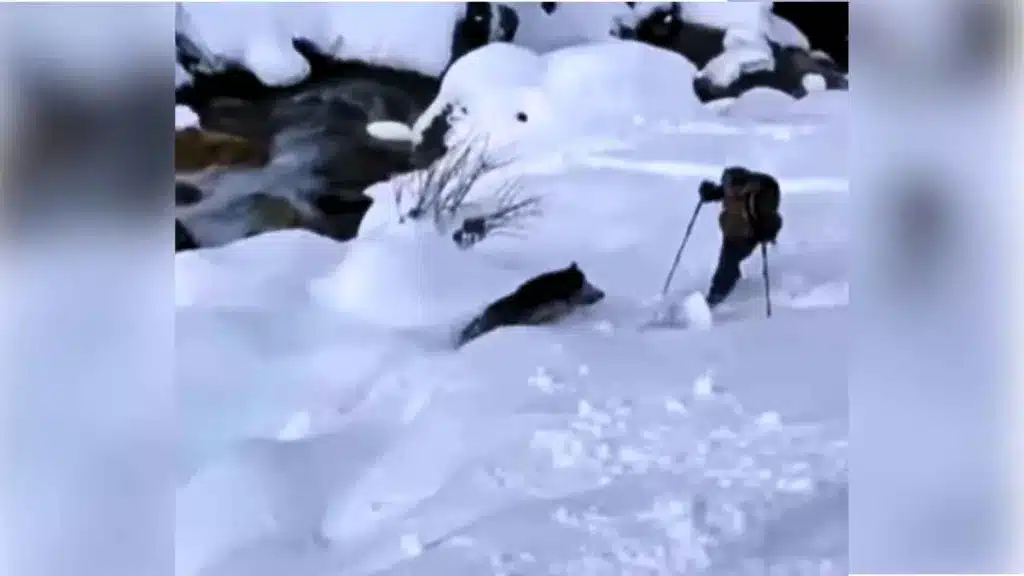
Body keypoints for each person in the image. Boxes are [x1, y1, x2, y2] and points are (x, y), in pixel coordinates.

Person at [698, 166, 783, 307]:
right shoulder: (733, 190)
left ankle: (717, 298)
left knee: (728, 263)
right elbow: (719, 193)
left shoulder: (759, 196)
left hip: (750, 234)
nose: (727, 190)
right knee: (727, 263)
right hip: (733, 233)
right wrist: (709, 194)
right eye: (725, 186)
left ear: (742, 186)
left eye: (729, 186)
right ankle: (727, 292)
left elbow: (772, 219)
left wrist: (767, 231)